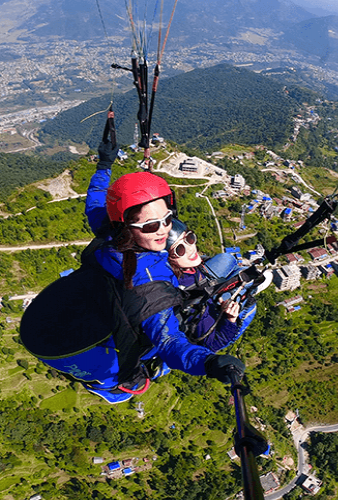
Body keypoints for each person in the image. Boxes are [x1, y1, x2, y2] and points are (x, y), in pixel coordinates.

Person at [38, 135, 244, 404]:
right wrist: (208, 363)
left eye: (168, 219)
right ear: (128, 226)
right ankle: (117, 386)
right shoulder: (149, 281)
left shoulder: (110, 230)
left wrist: (104, 165)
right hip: (105, 345)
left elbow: (97, 202)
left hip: (77, 311)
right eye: (150, 226)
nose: (162, 230)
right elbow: (169, 342)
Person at [165, 218, 262, 352]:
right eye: (179, 249)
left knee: (227, 259)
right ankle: (249, 291)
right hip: (206, 308)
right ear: (167, 259)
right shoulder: (188, 307)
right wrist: (230, 319)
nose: (191, 248)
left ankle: (238, 281)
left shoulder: (179, 269)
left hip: (200, 283)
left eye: (189, 238)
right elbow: (212, 345)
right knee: (252, 304)